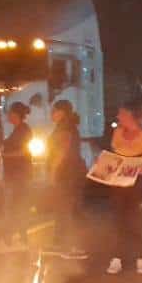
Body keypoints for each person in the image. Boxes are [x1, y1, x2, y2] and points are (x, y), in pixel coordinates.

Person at [107, 100, 142, 275]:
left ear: (130, 115)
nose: (118, 116)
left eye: (121, 113)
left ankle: (141, 258)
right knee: (119, 221)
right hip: (119, 182)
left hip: (139, 183)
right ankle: (117, 258)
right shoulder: (117, 133)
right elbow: (114, 156)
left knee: (136, 221)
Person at [46, 99, 88, 259]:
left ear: (61, 112)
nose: (51, 114)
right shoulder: (64, 126)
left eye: (53, 111)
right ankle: (60, 244)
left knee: (68, 209)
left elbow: (61, 151)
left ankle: (75, 246)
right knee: (64, 209)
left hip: (68, 174)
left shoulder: (65, 127)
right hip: (69, 174)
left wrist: (53, 172)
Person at [0, 102, 34, 251]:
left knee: (14, 206)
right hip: (15, 174)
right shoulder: (17, 130)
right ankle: (17, 237)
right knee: (16, 206)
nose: (9, 116)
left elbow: (24, 152)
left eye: (11, 114)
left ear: (17, 115)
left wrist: (5, 154)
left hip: (19, 175)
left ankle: (13, 238)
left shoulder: (24, 131)